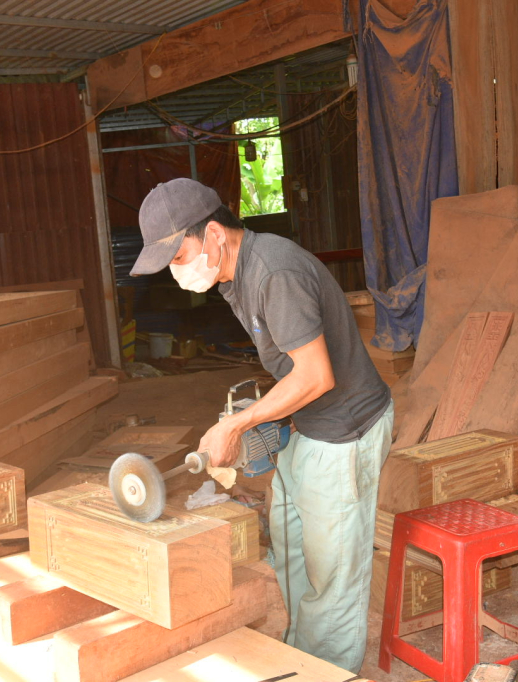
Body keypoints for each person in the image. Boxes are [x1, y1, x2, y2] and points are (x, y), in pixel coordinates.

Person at [130, 178, 394, 674]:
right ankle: (301, 656)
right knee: (291, 548)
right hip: (309, 424)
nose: (176, 270)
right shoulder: (235, 276)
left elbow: (315, 376)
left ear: (213, 234)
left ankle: (329, 671)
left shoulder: (274, 272)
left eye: (178, 256)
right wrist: (256, 417)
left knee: (332, 575)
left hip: (345, 429)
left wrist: (238, 424)